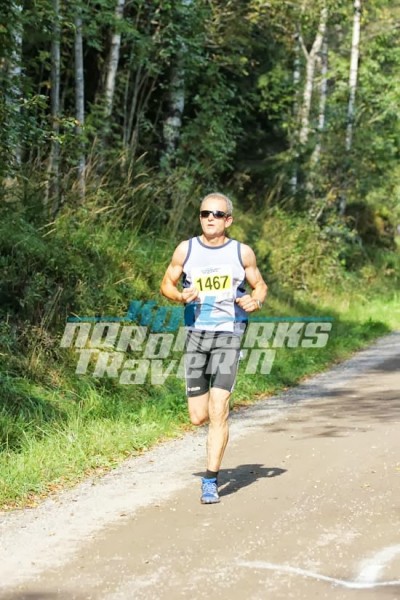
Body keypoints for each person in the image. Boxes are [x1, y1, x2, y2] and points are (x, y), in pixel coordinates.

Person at [160, 193, 268, 504]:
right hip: (196, 334)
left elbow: (260, 285)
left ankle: (210, 478)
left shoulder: (241, 252)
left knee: (219, 408)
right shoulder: (187, 249)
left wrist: (255, 299)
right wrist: (180, 297)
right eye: (205, 213)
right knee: (198, 416)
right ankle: (216, 423)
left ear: (228, 220)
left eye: (217, 214)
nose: (210, 218)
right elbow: (166, 283)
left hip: (228, 334)